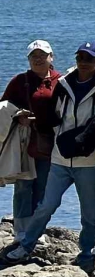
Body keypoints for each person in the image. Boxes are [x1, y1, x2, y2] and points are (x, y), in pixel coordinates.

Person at [5, 41, 95, 272]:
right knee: (46, 205)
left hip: (90, 160)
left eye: (89, 59)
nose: (83, 63)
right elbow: (53, 115)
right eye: (80, 58)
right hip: (60, 156)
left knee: (89, 211)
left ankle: (86, 252)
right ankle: (26, 245)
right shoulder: (64, 83)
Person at [2, 40, 60, 227]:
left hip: (49, 142)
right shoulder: (20, 81)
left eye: (42, 55)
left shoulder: (61, 81)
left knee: (43, 187)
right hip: (23, 141)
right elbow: (4, 108)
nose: (38, 59)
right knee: (23, 186)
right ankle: (21, 229)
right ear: (28, 59)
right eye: (34, 56)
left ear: (51, 57)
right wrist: (18, 116)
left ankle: (37, 229)